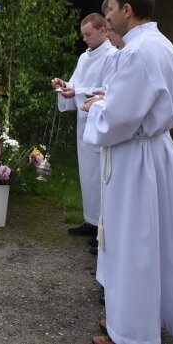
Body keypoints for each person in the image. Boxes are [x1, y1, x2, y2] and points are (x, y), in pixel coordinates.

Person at [81, 0, 173, 344]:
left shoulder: (136, 52)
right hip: (155, 151)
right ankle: (142, 317)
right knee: (152, 241)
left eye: (110, 8)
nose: (107, 15)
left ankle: (130, 332)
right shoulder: (161, 45)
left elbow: (118, 119)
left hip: (135, 158)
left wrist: (97, 107)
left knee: (134, 244)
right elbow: (147, 99)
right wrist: (107, 97)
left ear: (127, 9)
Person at [51, 14, 115, 248]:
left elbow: (107, 90)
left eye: (89, 34)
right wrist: (63, 86)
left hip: (100, 122)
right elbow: (76, 85)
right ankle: (90, 219)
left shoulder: (111, 56)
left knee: (100, 176)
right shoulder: (84, 56)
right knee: (87, 173)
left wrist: (76, 90)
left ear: (103, 30)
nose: (85, 39)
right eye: (83, 35)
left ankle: (104, 226)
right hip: (84, 121)